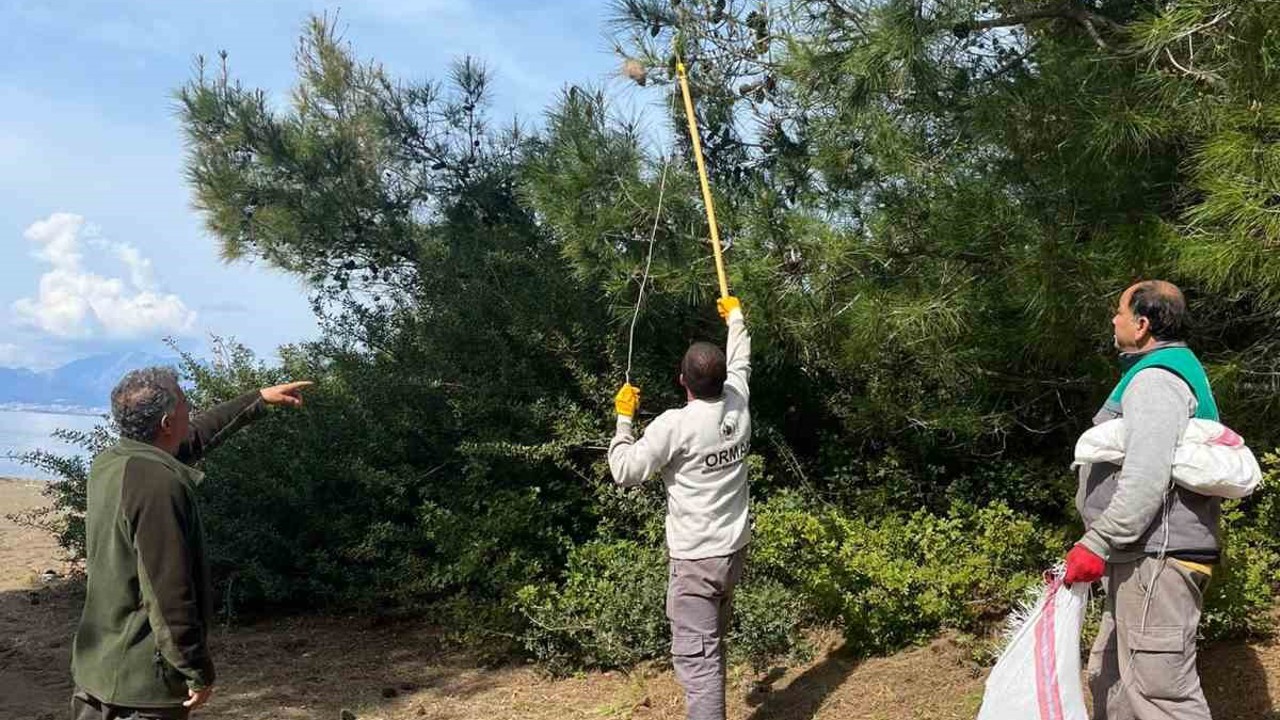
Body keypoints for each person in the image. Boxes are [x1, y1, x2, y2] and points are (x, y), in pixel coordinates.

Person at [70, 368, 312, 719]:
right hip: (141, 689)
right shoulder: (157, 486)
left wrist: (257, 399)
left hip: (97, 671)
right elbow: (168, 590)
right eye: (185, 403)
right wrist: (195, 670)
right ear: (167, 423)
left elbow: (192, 438)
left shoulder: (113, 462)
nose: (190, 409)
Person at [1063, 280, 1219, 719]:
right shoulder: (1167, 370)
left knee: (1161, 694)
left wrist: (1097, 541)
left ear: (1143, 324)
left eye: (1119, 311)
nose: (1113, 319)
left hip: (1157, 558)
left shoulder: (1156, 380)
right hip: (1141, 556)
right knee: (1110, 677)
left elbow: (1146, 476)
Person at [609, 296, 751, 720]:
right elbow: (742, 359)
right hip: (733, 552)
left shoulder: (677, 424)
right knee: (711, 648)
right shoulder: (738, 399)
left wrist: (623, 419)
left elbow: (624, 469)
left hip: (696, 563)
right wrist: (737, 318)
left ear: (682, 381)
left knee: (699, 663)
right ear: (722, 379)